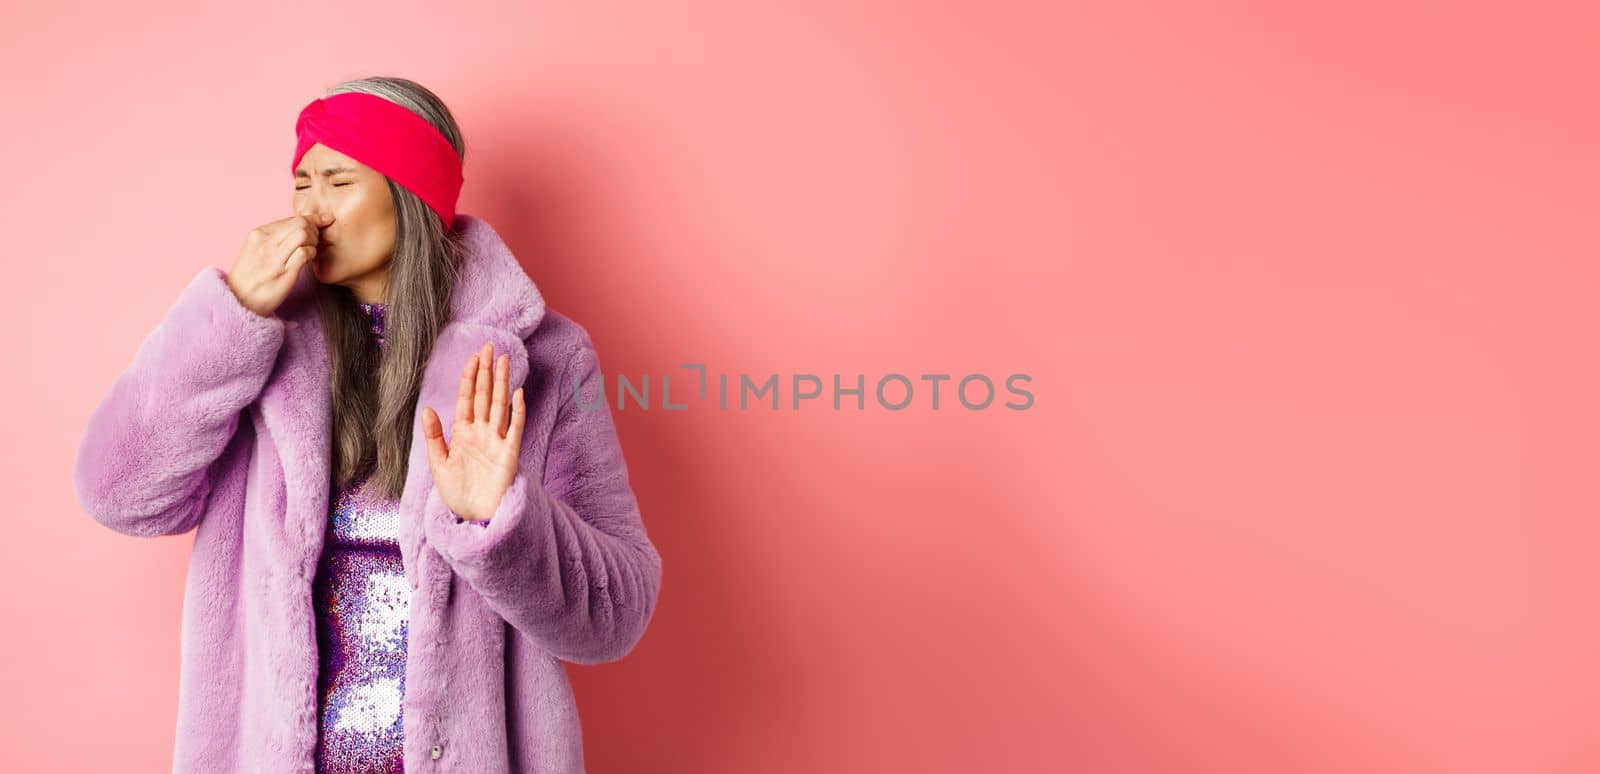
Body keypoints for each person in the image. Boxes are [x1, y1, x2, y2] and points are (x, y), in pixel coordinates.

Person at [72, 76, 663, 773]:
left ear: (411, 195)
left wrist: (499, 519)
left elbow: (615, 615)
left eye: (337, 181)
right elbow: (118, 493)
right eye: (300, 184)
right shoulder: (258, 346)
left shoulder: (545, 360)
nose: (310, 212)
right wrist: (230, 319)